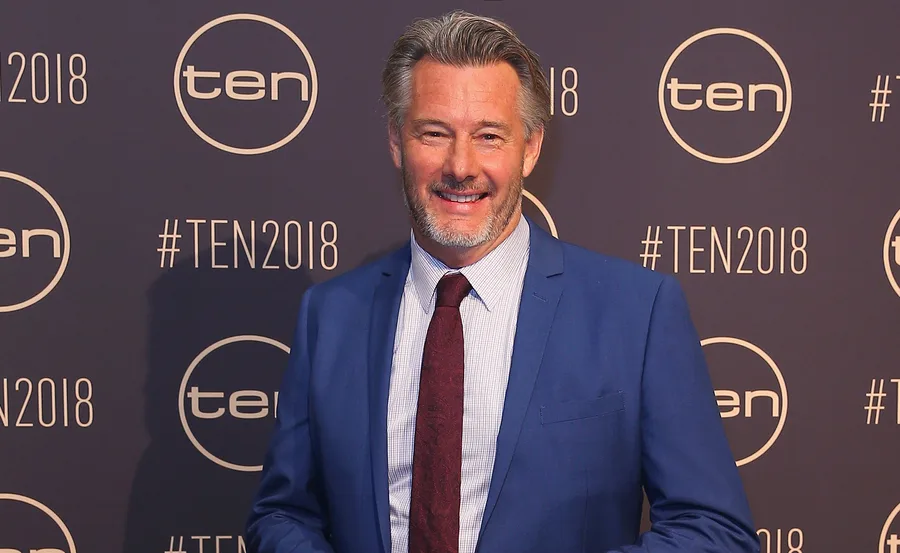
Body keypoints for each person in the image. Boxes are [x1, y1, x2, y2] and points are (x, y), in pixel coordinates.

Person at [245, 10, 759, 553]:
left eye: (489, 135)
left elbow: (714, 534)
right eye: (434, 133)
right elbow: (283, 516)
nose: (460, 165)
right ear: (397, 142)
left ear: (531, 148)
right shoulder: (331, 315)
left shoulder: (638, 313)